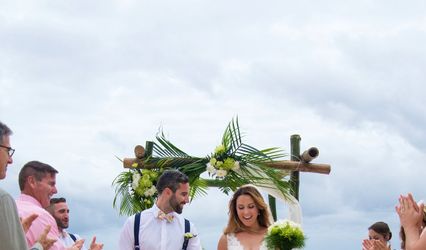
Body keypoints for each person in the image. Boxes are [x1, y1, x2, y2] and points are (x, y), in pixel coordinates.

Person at [16, 160, 103, 250]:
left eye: (67, 211)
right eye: (51, 184)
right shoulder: (41, 216)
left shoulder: (11, 209)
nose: (55, 190)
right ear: (32, 182)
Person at [0, 121, 55, 250]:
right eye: (8, 151)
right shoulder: (3, 199)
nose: (10, 159)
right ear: (31, 181)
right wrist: (39, 246)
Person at [118, 169, 202, 250]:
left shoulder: (189, 228)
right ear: (167, 192)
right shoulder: (133, 224)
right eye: (183, 194)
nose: (187, 200)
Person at [217, 184, 273, 250]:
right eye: (241, 207)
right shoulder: (226, 239)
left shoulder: (273, 236)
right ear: (235, 211)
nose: (246, 212)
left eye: (251, 206)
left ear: (259, 208)